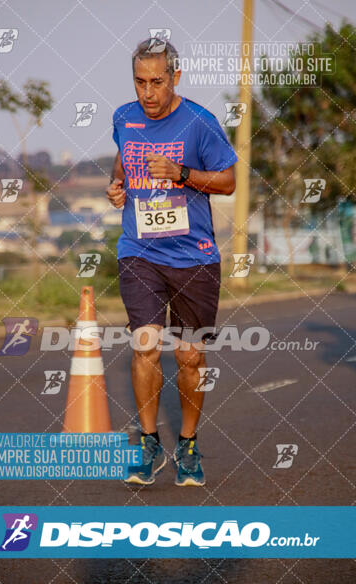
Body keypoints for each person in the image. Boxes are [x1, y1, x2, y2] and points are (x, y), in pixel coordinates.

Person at [107, 38, 237, 486]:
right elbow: (123, 161)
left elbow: (228, 181)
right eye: (140, 82)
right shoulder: (124, 118)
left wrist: (182, 173)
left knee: (189, 357)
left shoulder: (200, 122)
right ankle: (148, 444)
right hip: (139, 251)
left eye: (157, 82)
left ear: (175, 77)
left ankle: (187, 443)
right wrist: (116, 185)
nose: (148, 93)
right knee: (145, 345)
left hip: (194, 257)